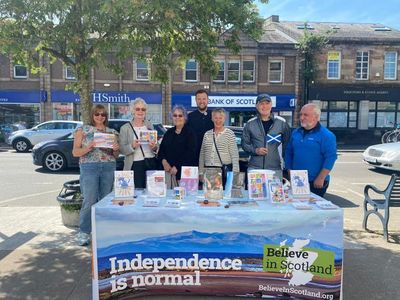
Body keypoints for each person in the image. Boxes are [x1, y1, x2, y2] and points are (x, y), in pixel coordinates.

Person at [72, 104, 120, 246]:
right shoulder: (83, 130)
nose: (100, 117)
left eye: (103, 114)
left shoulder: (112, 132)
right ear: (92, 115)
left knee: (105, 200)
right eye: (97, 114)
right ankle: (85, 231)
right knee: (90, 199)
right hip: (89, 167)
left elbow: (116, 155)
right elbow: (75, 152)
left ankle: (103, 231)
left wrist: (116, 149)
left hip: (108, 167)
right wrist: (89, 147)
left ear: (106, 116)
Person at [285, 103, 337, 197]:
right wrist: (290, 172)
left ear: (316, 117)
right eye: (301, 114)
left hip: (316, 181)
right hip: (297, 179)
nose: (302, 117)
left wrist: (321, 177)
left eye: (306, 115)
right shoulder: (296, 133)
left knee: (313, 210)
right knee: (298, 208)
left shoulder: (326, 135)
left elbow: (331, 158)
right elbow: (289, 153)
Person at [241, 93, 291, 178]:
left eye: (267, 103)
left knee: (274, 192)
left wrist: (288, 166)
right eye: (261, 104)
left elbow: (288, 146)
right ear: (257, 106)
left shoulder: (282, 123)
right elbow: (244, 144)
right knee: (256, 192)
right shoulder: (250, 124)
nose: (264, 106)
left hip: (275, 168)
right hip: (255, 168)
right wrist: (256, 150)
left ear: (271, 105)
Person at [119, 98, 158, 189]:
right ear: (133, 111)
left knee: (152, 191)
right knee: (138, 191)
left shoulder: (149, 125)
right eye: (137, 109)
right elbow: (122, 149)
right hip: (135, 164)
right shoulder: (125, 128)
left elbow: (156, 146)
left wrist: (154, 147)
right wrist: (132, 146)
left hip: (150, 162)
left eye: (143, 109)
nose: (140, 111)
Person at [157, 105, 197, 188]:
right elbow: (161, 151)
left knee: (185, 199)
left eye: (180, 115)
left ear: (185, 117)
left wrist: (177, 167)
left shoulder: (190, 133)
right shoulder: (169, 133)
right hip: (169, 173)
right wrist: (164, 162)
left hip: (185, 174)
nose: (177, 118)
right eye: (175, 115)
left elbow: (190, 153)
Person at [199, 108, 239, 188]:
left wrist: (235, 175)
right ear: (212, 118)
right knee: (210, 196)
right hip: (208, 171)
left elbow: (234, 155)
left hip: (223, 170)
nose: (218, 120)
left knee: (223, 197)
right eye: (216, 118)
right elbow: (202, 154)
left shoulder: (229, 134)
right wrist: (200, 172)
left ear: (224, 119)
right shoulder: (207, 134)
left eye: (220, 118)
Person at [187, 89, 214, 164]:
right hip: (193, 158)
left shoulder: (214, 116)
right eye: (199, 99)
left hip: (211, 159)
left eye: (204, 99)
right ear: (196, 100)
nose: (201, 101)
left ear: (208, 100)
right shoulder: (189, 117)